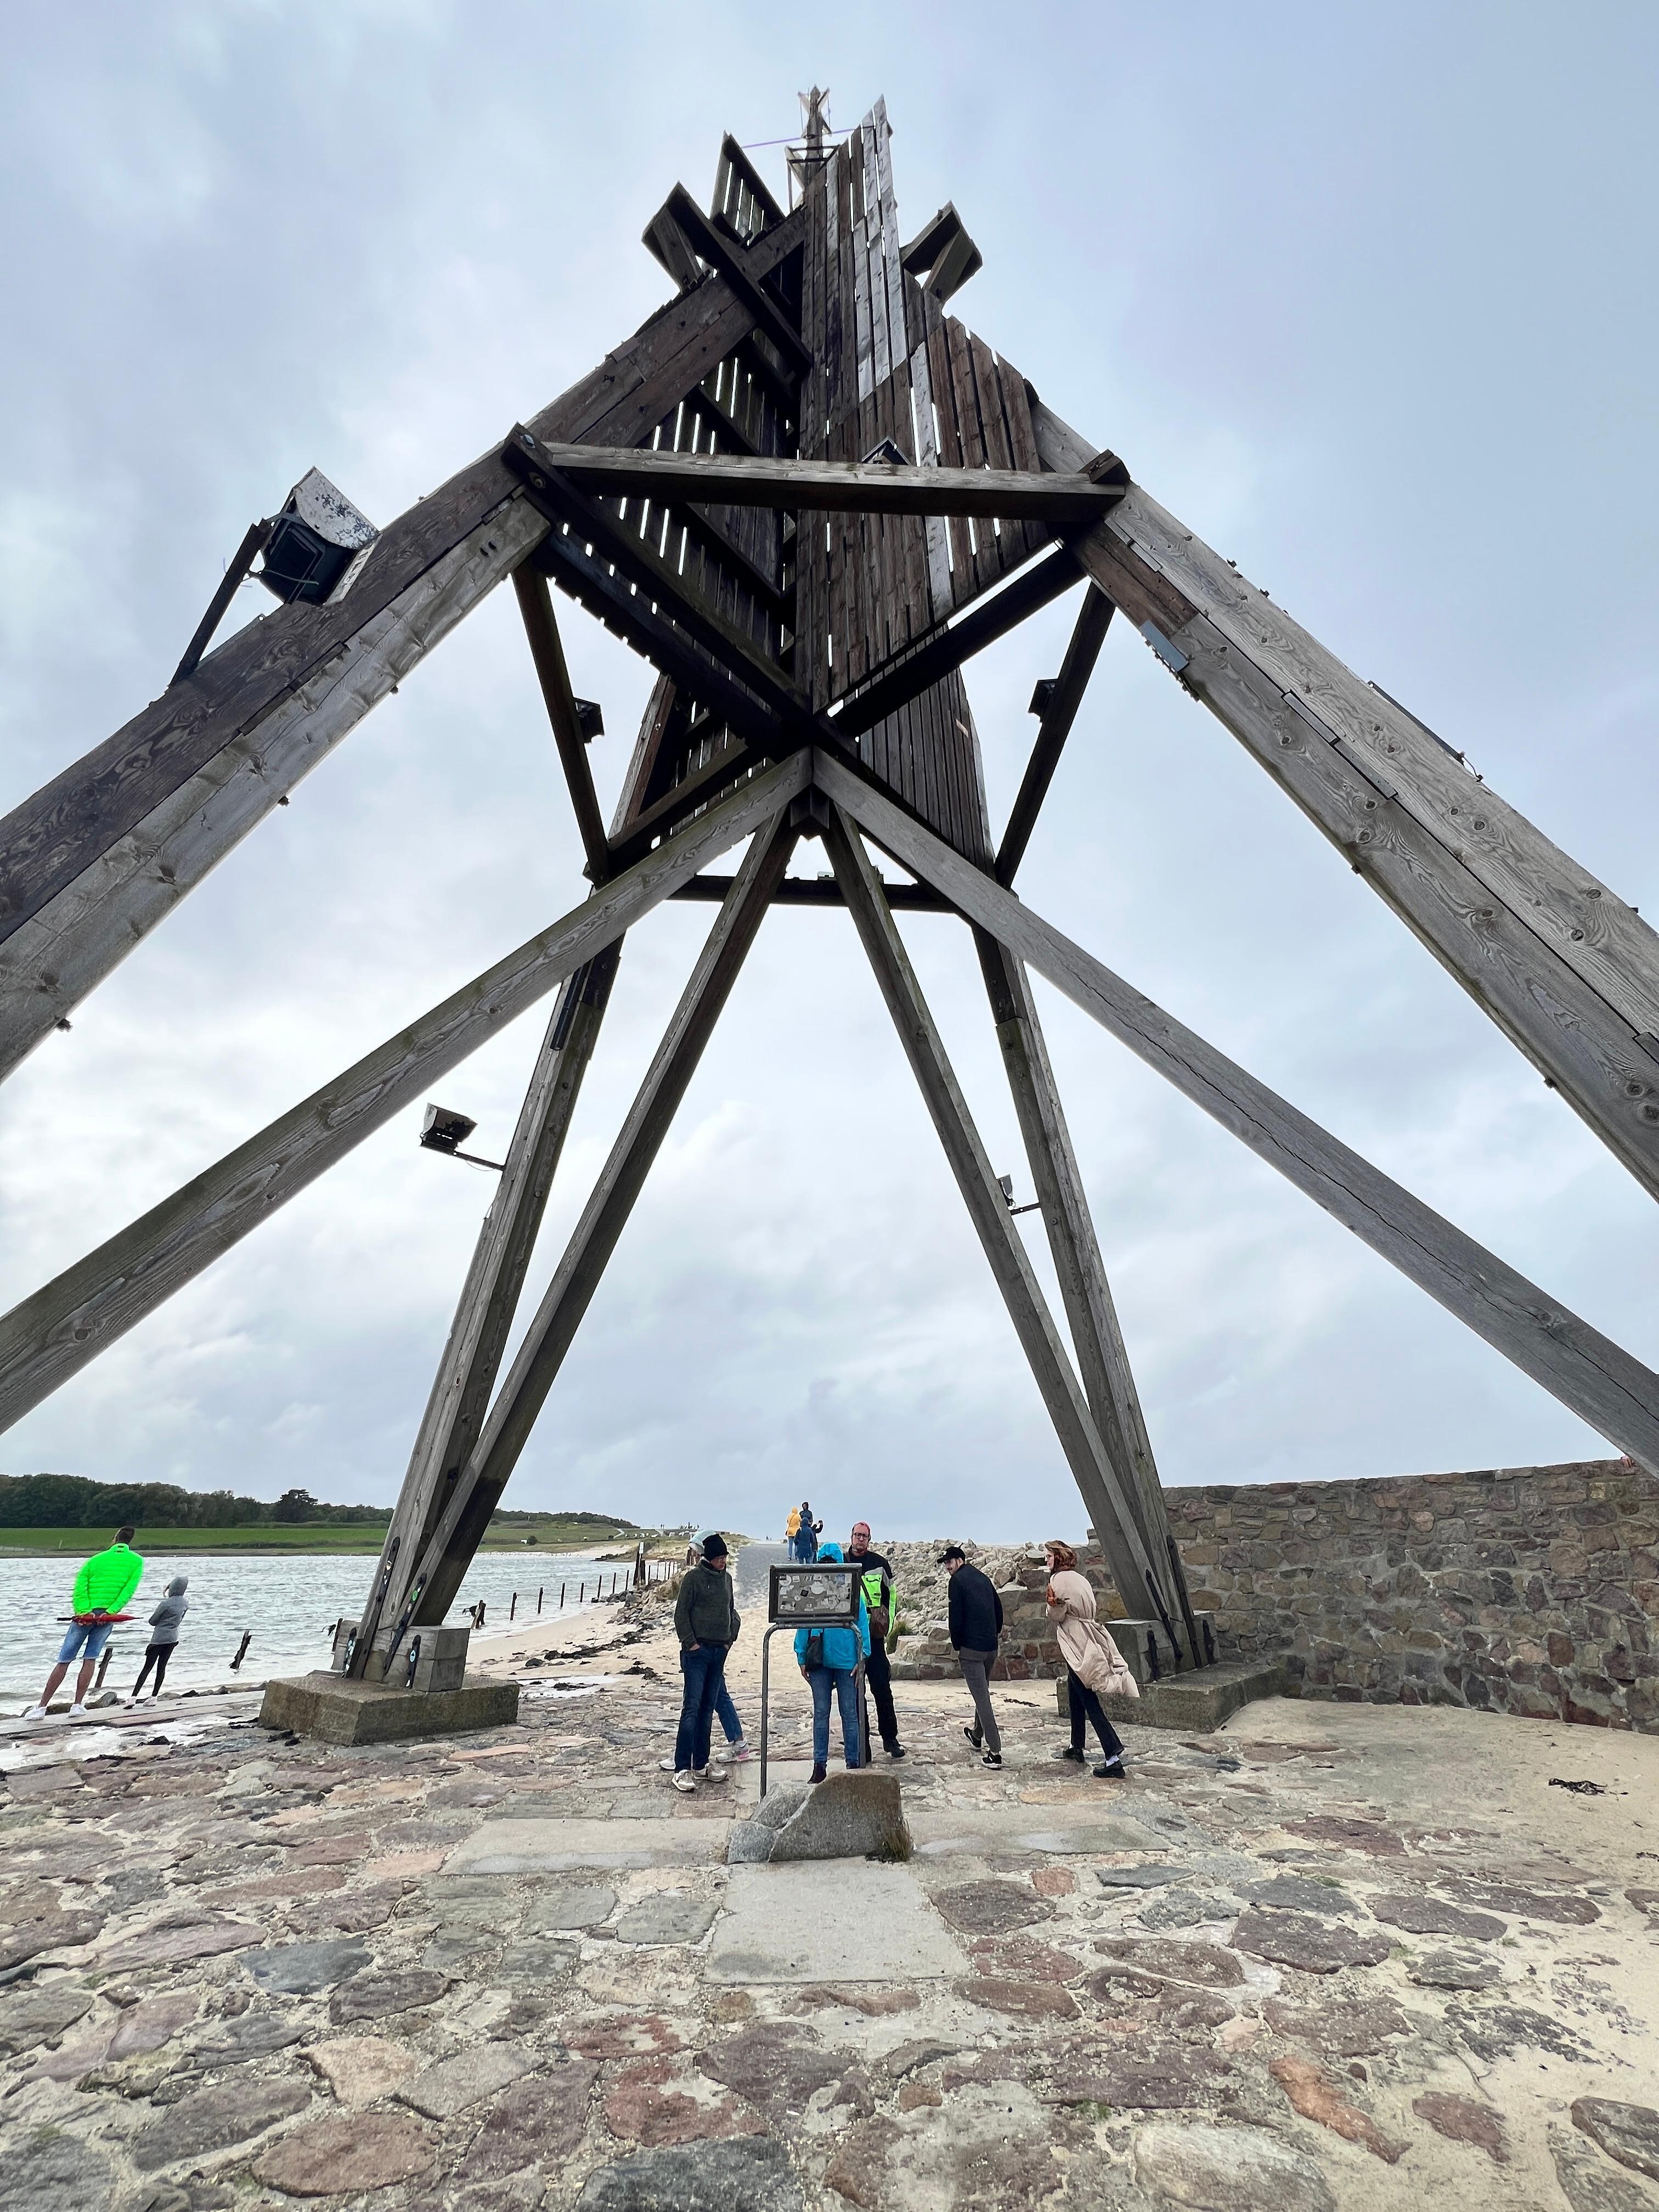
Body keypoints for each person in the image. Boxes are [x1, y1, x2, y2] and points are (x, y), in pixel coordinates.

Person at [23, 1526, 145, 1720]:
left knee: (64, 1659)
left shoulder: (96, 1559)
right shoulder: (137, 1561)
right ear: (131, 1541)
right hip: (106, 1615)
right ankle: (77, 1705)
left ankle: (42, 1707)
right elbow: (128, 1590)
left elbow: (81, 1584)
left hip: (85, 1614)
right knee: (90, 1658)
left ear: (115, 1538)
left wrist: (83, 1610)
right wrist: (111, 1611)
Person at [1043, 1541, 1135, 1779]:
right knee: (1075, 1690)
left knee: (1087, 1697)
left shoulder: (1057, 1581)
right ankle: (1077, 1746)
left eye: (1049, 1556)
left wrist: (1052, 1607)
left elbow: (1057, 1615)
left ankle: (1112, 1755)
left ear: (1059, 1558)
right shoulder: (1081, 1579)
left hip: (1075, 1640)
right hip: (1089, 1636)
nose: (1046, 1560)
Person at [670, 1529, 740, 1792]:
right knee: (692, 1709)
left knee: (709, 1709)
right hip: (696, 1655)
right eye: (719, 1557)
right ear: (708, 1558)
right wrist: (692, 1644)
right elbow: (681, 1615)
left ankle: (701, 1764)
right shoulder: (693, 1579)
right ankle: (682, 1768)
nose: (723, 1561)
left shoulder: (728, 1580)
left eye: (725, 1556)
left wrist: (728, 1639)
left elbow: (732, 1611)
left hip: (718, 1653)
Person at [795, 1541, 868, 1781]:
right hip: (822, 1661)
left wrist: (862, 1656)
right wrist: (801, 1655)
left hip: (847, 1660)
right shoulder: (813, 1588)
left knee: (849, 1713)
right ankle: (820, 1765)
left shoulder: (853, 1590)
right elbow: (804, 1624)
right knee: (822, 1713)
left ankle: (854, 1764)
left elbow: (863, 1626)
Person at [942, 1542, 1003, 1769]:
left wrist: (958, 1644)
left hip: (971, 1651)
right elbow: (998, 1609)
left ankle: (995, 1751)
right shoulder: (983, 1578)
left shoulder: (956, 1582)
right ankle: (977, 1734)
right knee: (982, 1691)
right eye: (945, 1564)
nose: (948, 1567)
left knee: (982, 1699)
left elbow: (955, 1616)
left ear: (960, 1561)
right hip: (990, 1648)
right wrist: (994, 1634)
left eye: (949, 1562)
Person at [848, 1520, 905, 1760]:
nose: (860, 1539)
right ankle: (863, 1745)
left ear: (869, 1540)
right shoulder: (842, 1563)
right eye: (857, 1535)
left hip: (876, 1638)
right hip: (851, 1639)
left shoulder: (881, 1564)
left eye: (865, 1536)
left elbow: (891, 1596)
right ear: (851, 1537)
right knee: (856, 1693)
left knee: (882, 1689)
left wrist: (889, 1624)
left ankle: (890, 1739)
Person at [130, 1575, 189, 1702]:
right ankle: (154, 1697)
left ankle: (133, 1697)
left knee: (147, 1668)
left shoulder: (165, 1604)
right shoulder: (185, 1603)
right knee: (162, 1667)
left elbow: (153, 1621)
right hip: (173, 1639)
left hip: (158, 1639)